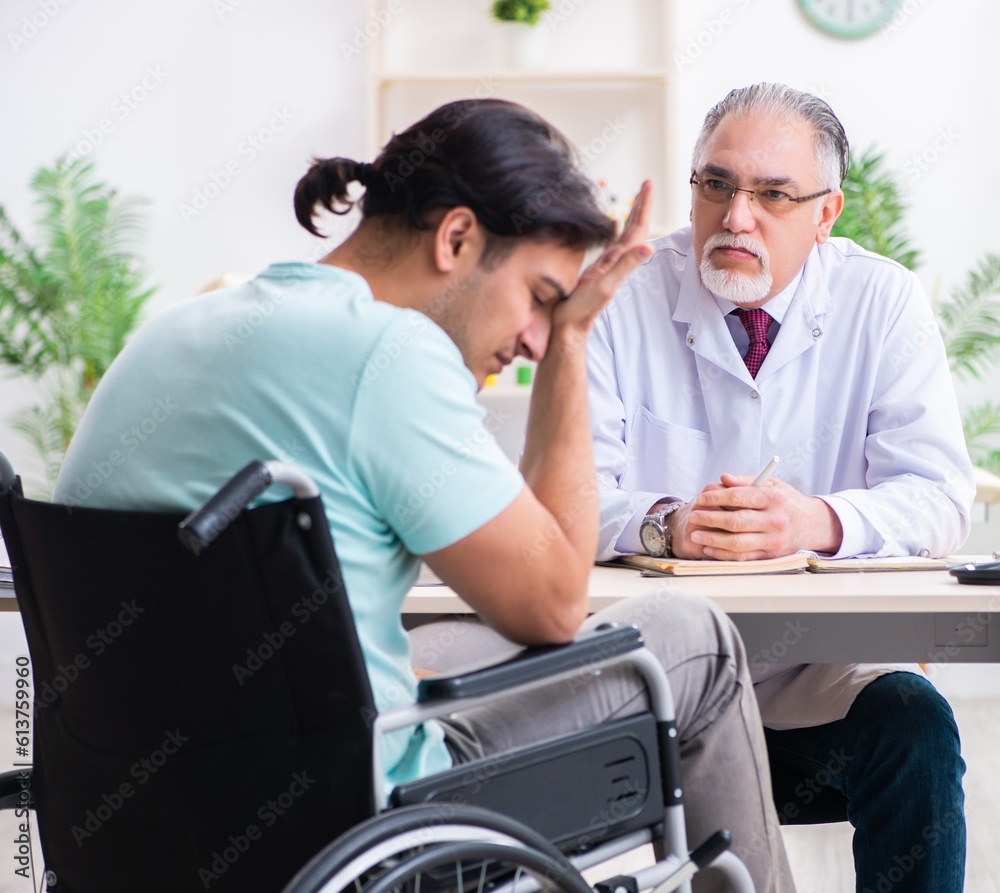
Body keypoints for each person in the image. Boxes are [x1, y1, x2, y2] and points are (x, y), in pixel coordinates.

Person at [54, 99, 793, 891]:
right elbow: (549, 607)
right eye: (542, 296)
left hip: (146, 822)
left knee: (451, 637)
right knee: (697, 637)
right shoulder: (389, 355)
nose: (534, 338)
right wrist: (574, 345)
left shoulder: (178, 329)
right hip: (365, 826)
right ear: (456, 238)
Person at [587, 82, 973, 893]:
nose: (736, 218)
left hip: (820, 676)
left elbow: (941, 497)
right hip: (661, 674)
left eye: (771, 195)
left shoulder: (882, 300)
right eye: (717, 186)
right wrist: (665, 525)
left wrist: (817, 521)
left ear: (826, 213)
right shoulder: (622, 293)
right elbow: (566, 500)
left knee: (916, 725)